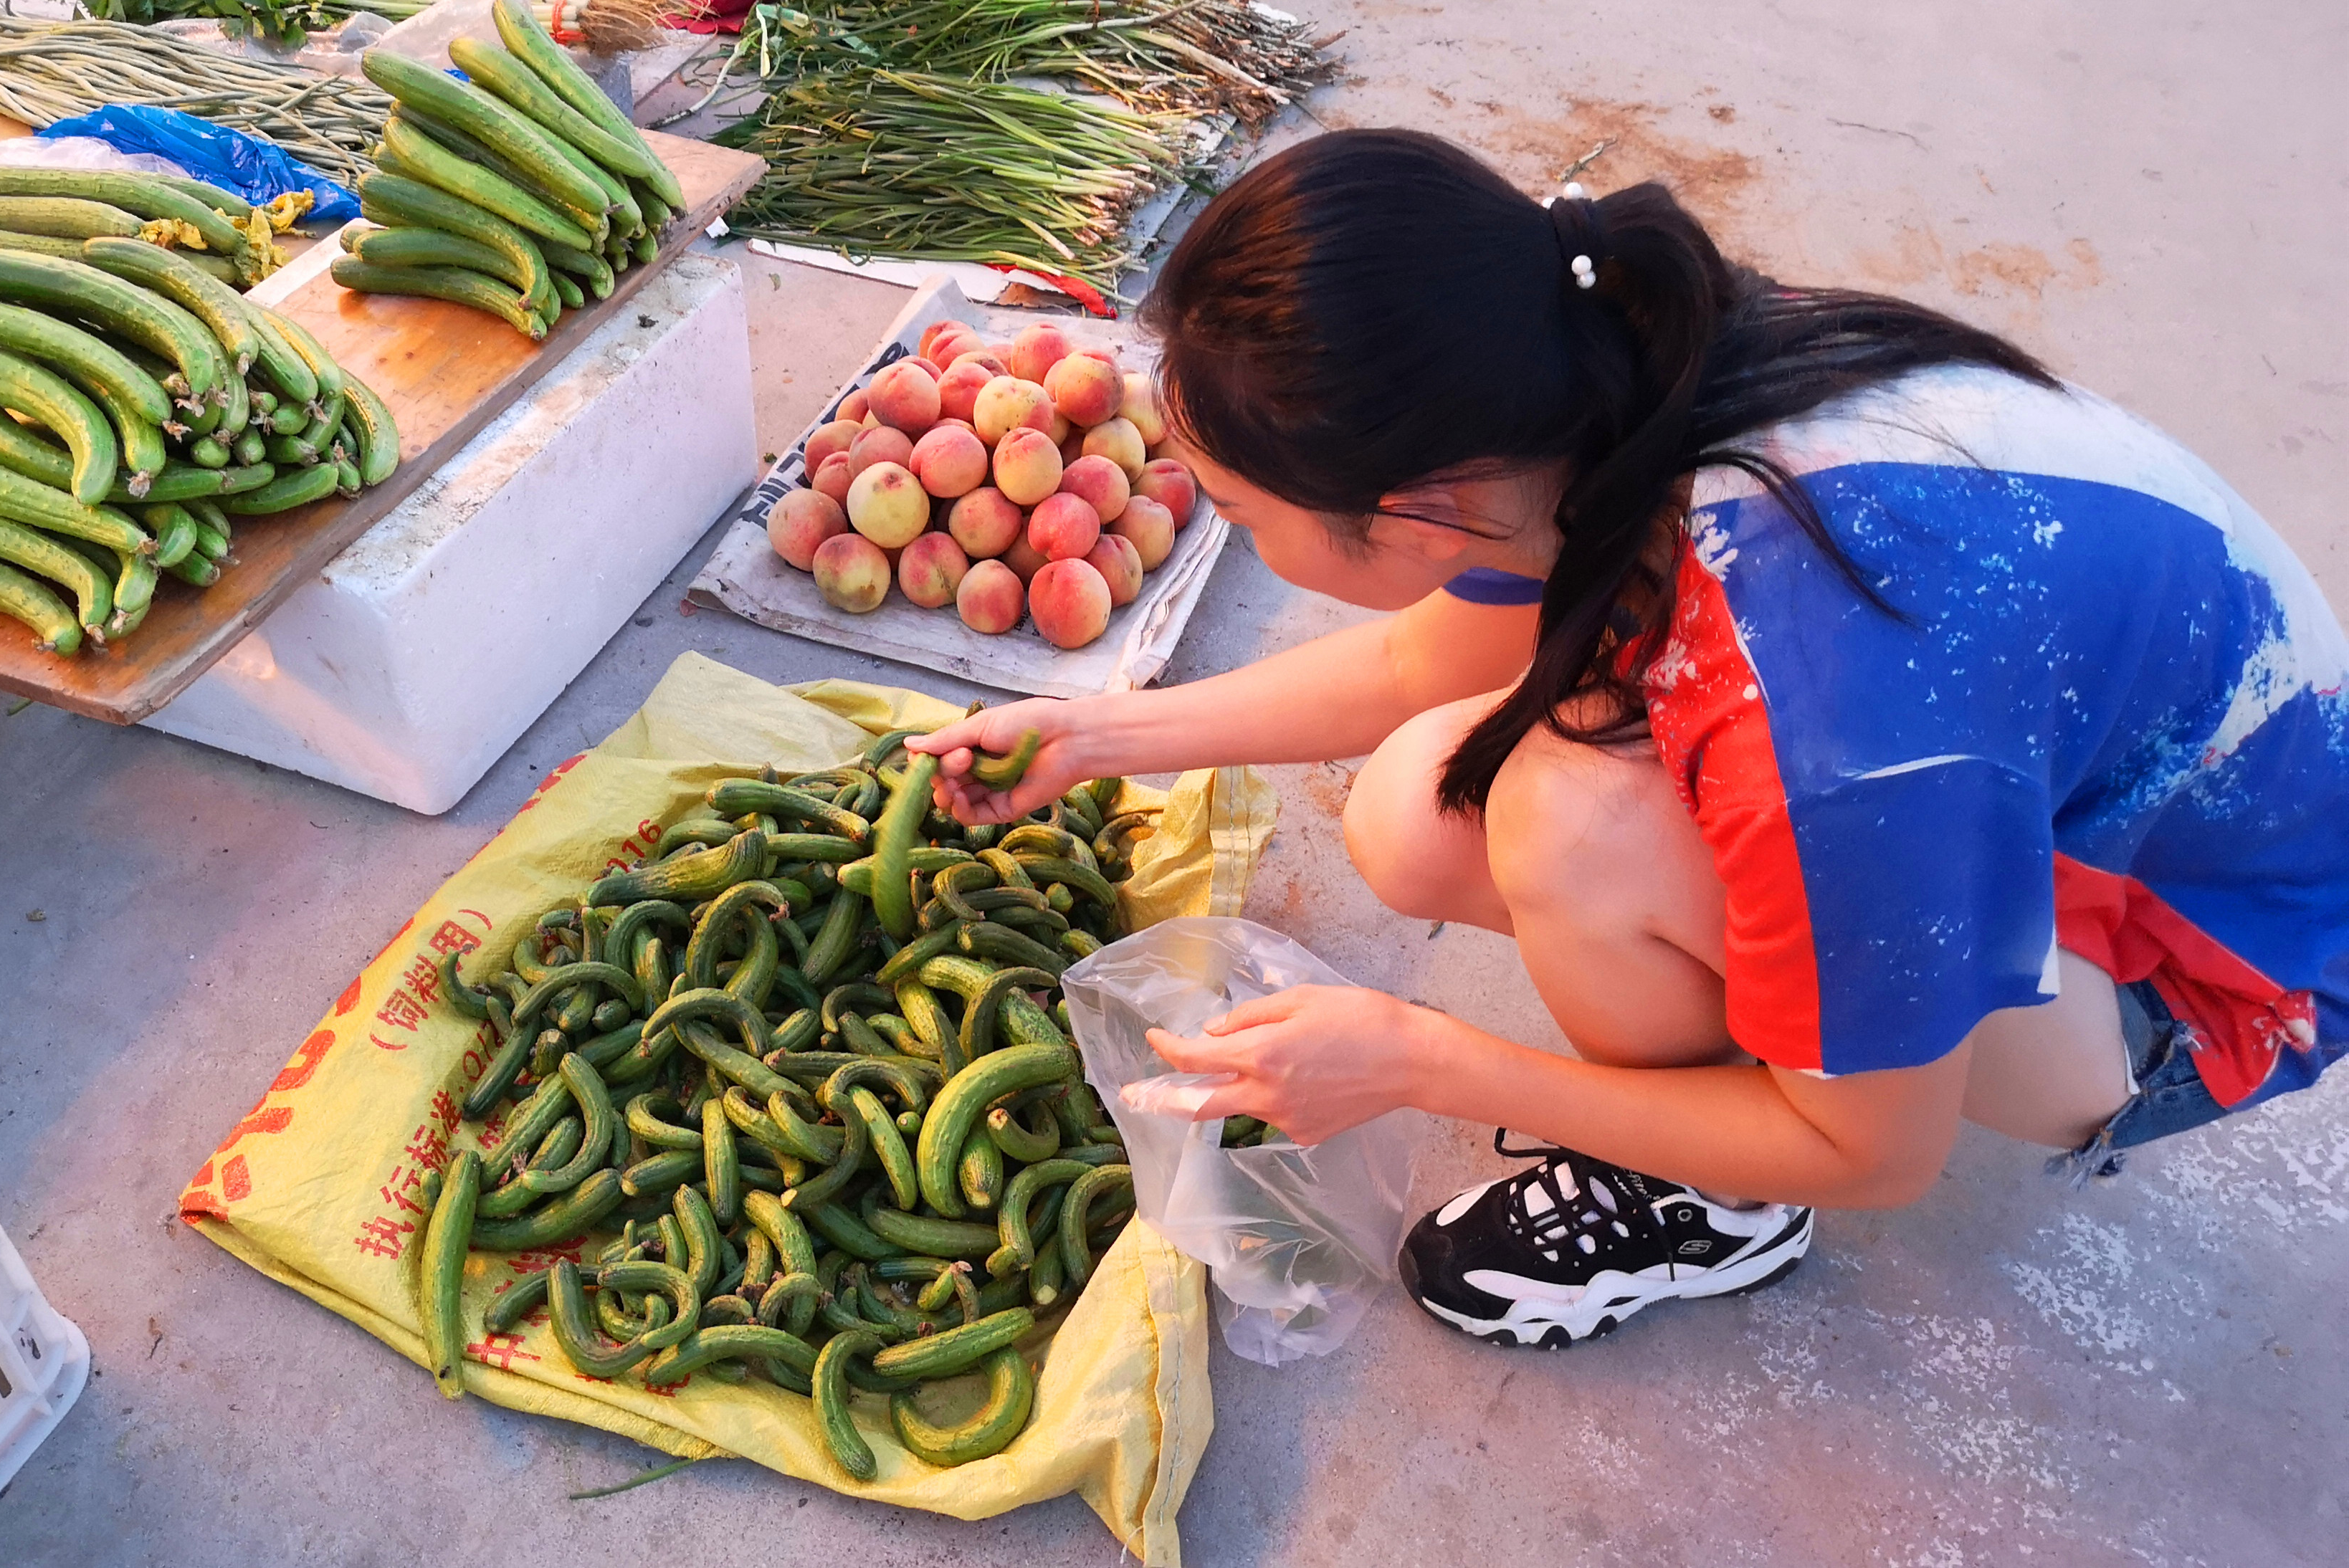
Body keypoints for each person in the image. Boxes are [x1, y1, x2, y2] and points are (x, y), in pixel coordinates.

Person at [907, 129, 2348, 1349]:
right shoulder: (1590, 385)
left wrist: (1421, 1056)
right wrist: (1098, 733)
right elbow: (1426, 655)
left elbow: (1880, 1153)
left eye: (1244, 507)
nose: (1228, 524)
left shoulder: (1818, 700)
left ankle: (1719, 1204)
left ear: (1415, 507)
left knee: (1562, 817)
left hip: (2211, 972)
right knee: (1425, 802)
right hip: (2048, 790)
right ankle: (1762, 1054)